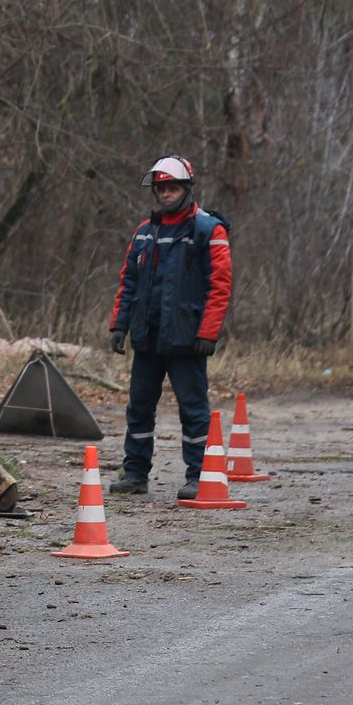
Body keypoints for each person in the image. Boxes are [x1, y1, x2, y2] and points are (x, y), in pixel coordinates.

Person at [105, 155, 233, 498]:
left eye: (172, 188)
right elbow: (128, 282)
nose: (166, 194)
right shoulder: (144, 233)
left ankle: (199, 476)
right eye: (161, 188)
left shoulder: (209, 230)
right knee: (139, 407)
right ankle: (134, 475)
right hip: (147, 338)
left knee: (193, 410)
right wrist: (119, 325)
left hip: (187, 340)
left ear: (187, 189)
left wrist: (208, 332)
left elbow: (219, 286)